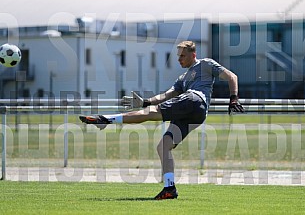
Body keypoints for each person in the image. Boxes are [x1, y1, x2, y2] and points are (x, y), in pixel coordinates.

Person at [79, 41, 244, 200]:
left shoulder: (206, 64)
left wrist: (234, 98)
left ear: (193, 55)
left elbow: (231, 76)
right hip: (195, 114)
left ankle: (105, 119)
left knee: (149, 114)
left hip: (194, 100)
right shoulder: (182, 78)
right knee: (164, 146)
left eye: (182, 56)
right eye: (178, 56)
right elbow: (167, 95)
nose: (179, 59)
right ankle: (169, 188)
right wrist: (146, 101)